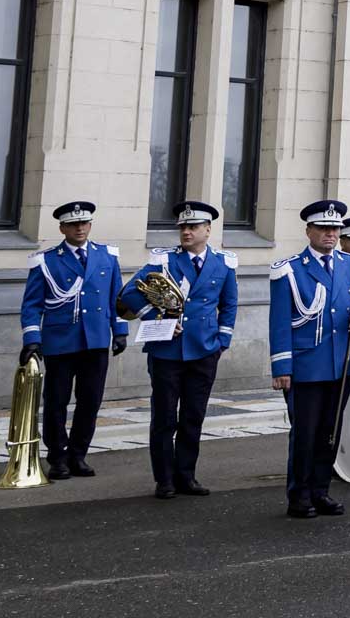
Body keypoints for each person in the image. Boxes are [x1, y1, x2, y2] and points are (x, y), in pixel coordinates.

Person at [119, 200, 237, 498]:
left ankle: (187, 476)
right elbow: (129, 293)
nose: (186, 231)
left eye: (193, 226)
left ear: (208, 230)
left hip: (204, 350)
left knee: (193, 416)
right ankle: (164, 479)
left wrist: (222, 342)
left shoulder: (224, 263)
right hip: (167, 351)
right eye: (183, 226)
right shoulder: (163, 260)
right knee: (165, 418)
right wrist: (156, 318)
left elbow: (229, 304)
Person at [269, 198, 350, 519]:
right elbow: (279, 322)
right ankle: (299, 494)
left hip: (342, 361)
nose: (331, 234)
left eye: (335, 229)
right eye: (324, 228)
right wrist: (282, 367)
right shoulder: (290, 269)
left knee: (330, 430)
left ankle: (321, 490)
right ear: (309, 230)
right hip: (307, 365)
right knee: (305, 433)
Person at [20, 201, 128, 482]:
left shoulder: (107, 256)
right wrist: (32, 339)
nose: (79, 228)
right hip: (60, 341)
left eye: (84, 223)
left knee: (90, 401)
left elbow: (116, 297)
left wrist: (120, 331)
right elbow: (32, 305)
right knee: (56, 401)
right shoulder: (46, 260)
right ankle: (57, 456)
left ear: (90, 225)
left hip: (96, 340)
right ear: (62, 228)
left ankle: (78, 454)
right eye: (73, 224)